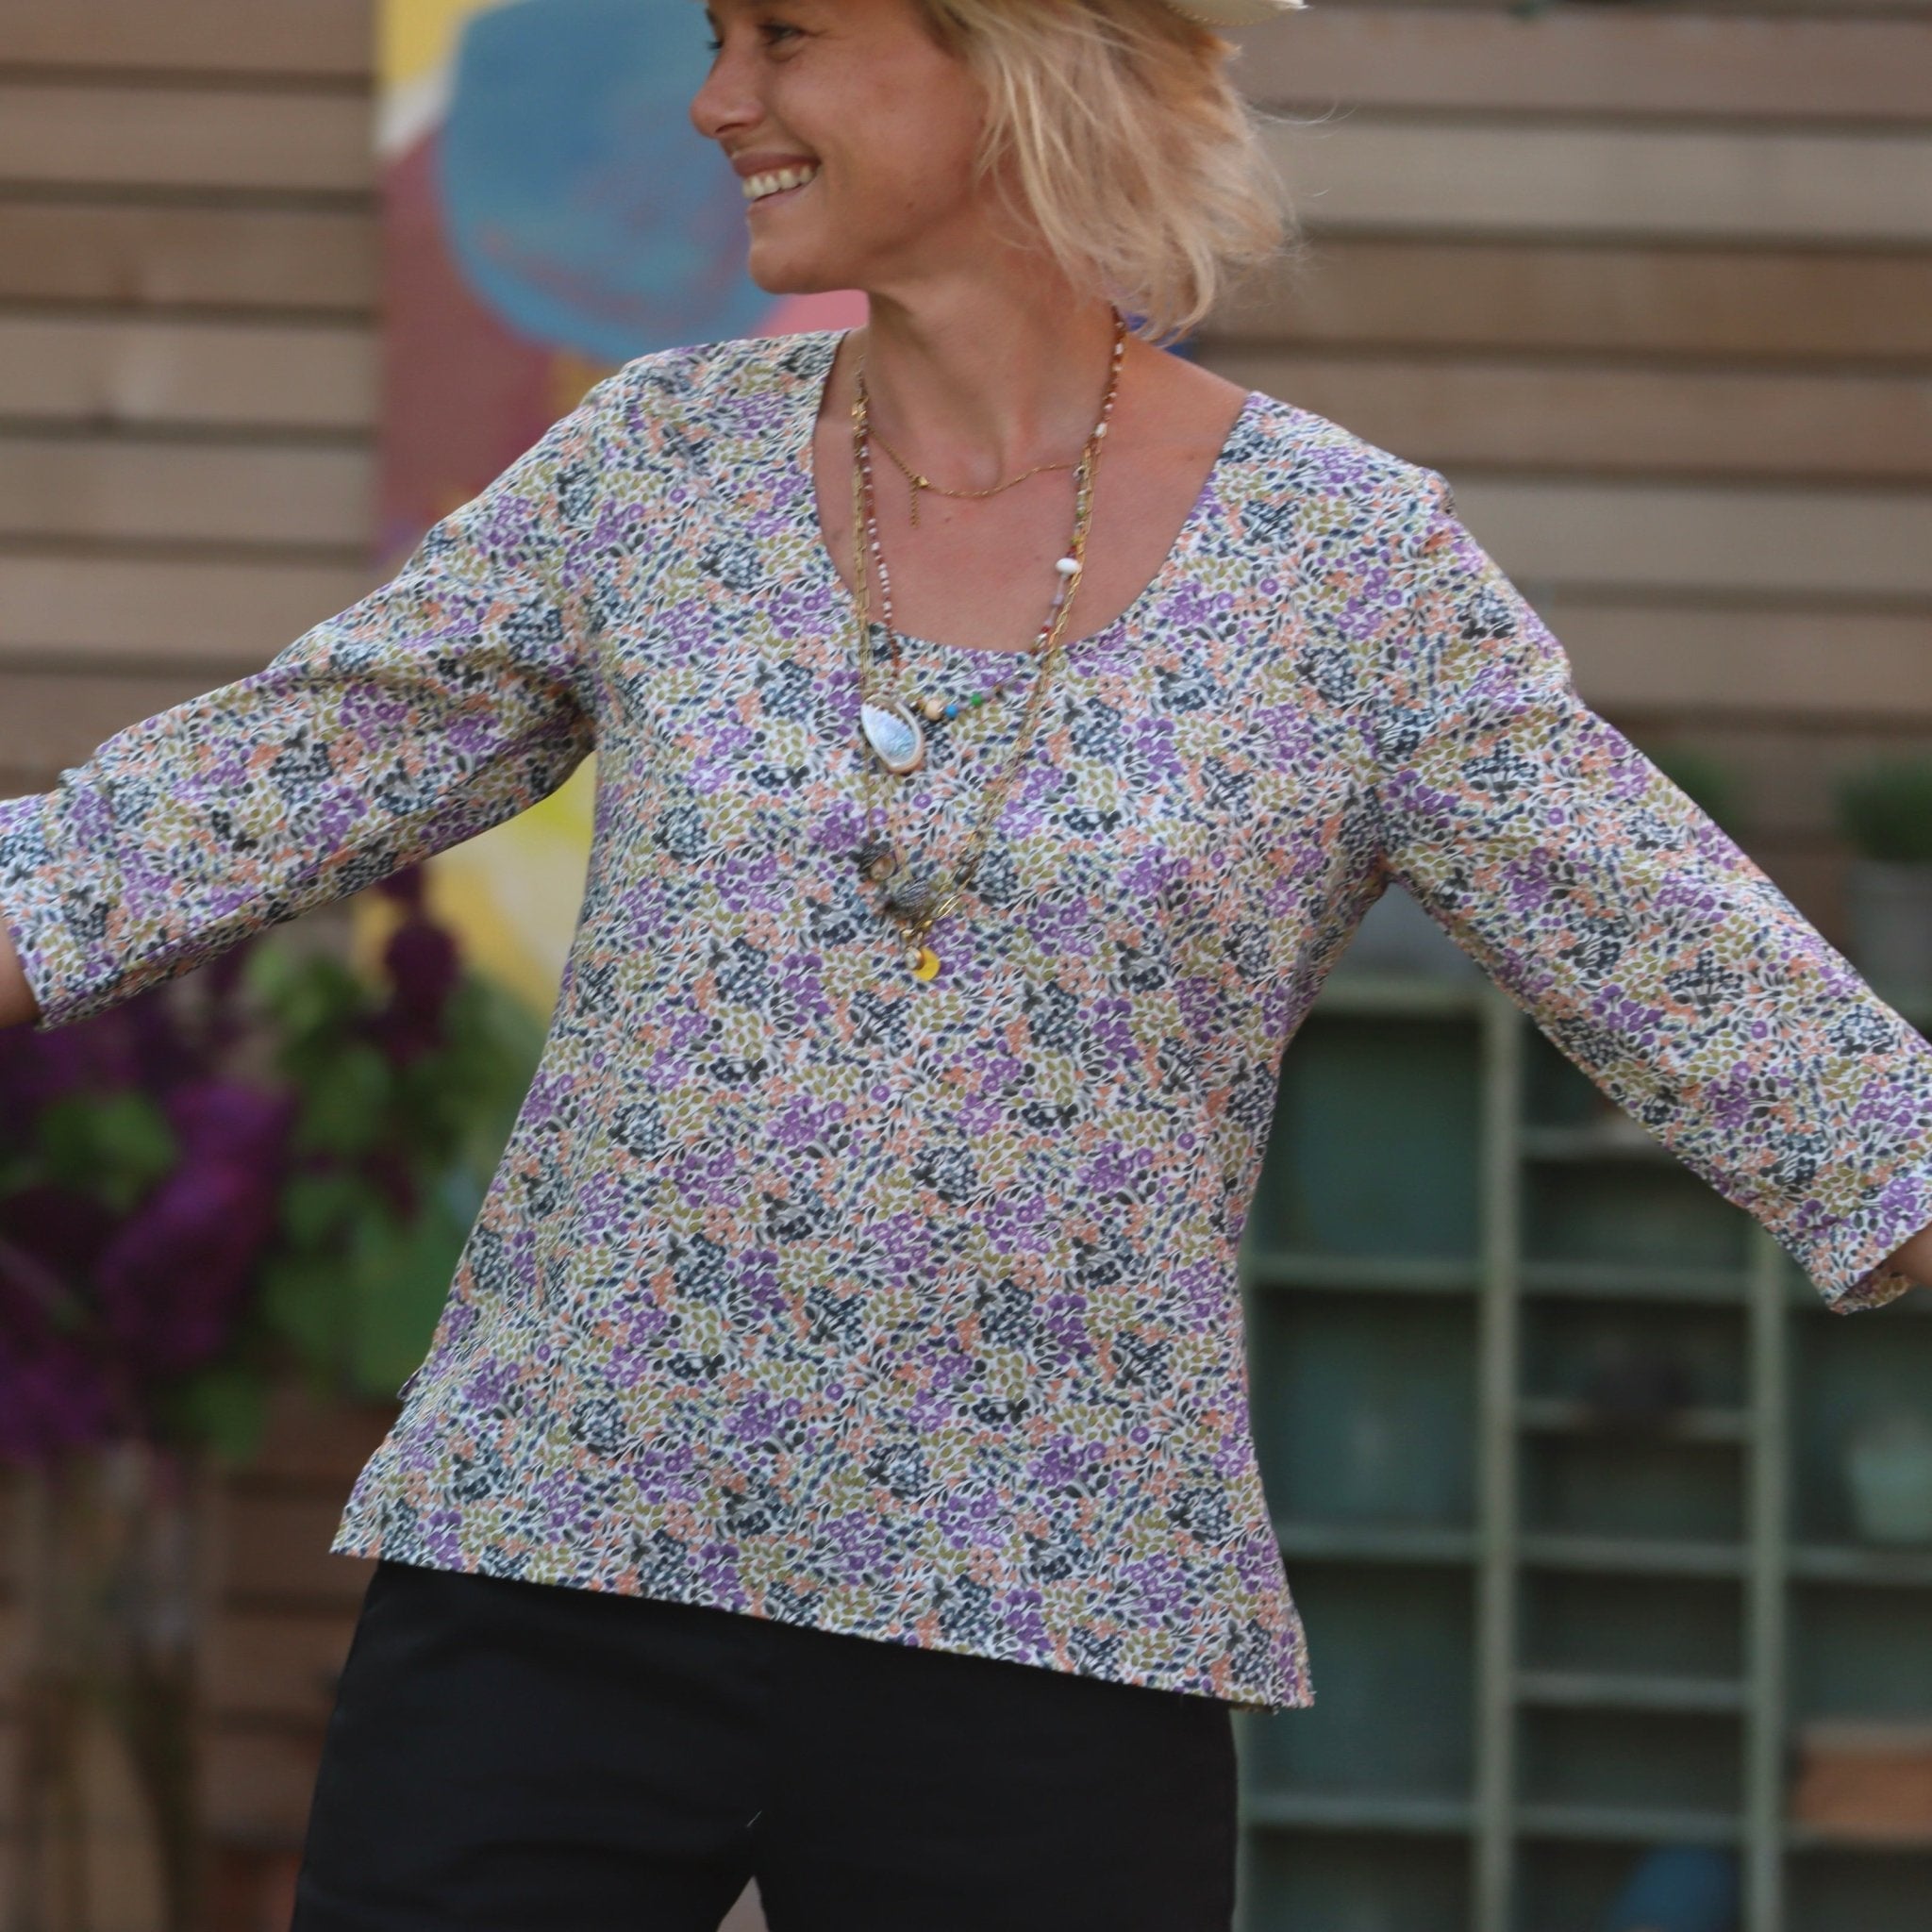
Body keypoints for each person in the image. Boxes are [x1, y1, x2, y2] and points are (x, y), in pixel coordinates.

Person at [3, 0, 1931, 1925]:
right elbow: (229, 793)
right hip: (556, 1560)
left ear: (1021, 58)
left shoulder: (1346, 570)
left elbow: (1708, 981)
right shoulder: (649, 472)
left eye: (785, 33)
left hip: (1046, 1615)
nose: (717, 99)